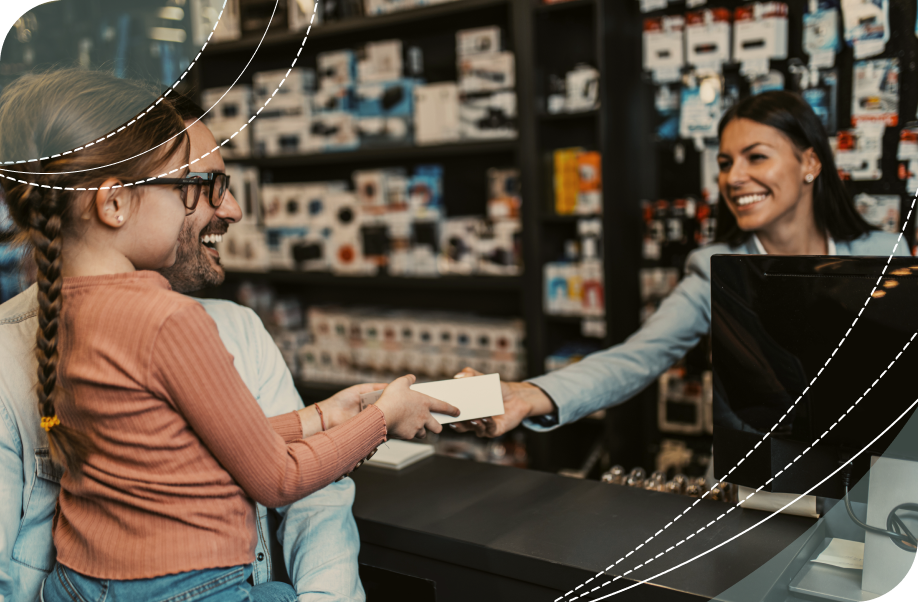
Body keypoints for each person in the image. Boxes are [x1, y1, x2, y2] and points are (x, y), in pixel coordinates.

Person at [0, 68, 457, 602]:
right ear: (114, 203)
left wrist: (319, 418)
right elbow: (277, 479)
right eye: (191, 188)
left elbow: (177, 445)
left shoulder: (69, 315)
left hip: (79, 587)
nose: (229, 209)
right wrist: (383, 419)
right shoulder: (168, 320)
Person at [453, 90, 911, 437]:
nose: (734, 178)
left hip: (874, 475)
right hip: (762, 484)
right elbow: (638, 357)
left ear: (810, 162)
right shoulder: (713, 268)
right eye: (726, 162)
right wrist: (530, 393)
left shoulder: (886, 252)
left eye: (757, 157)